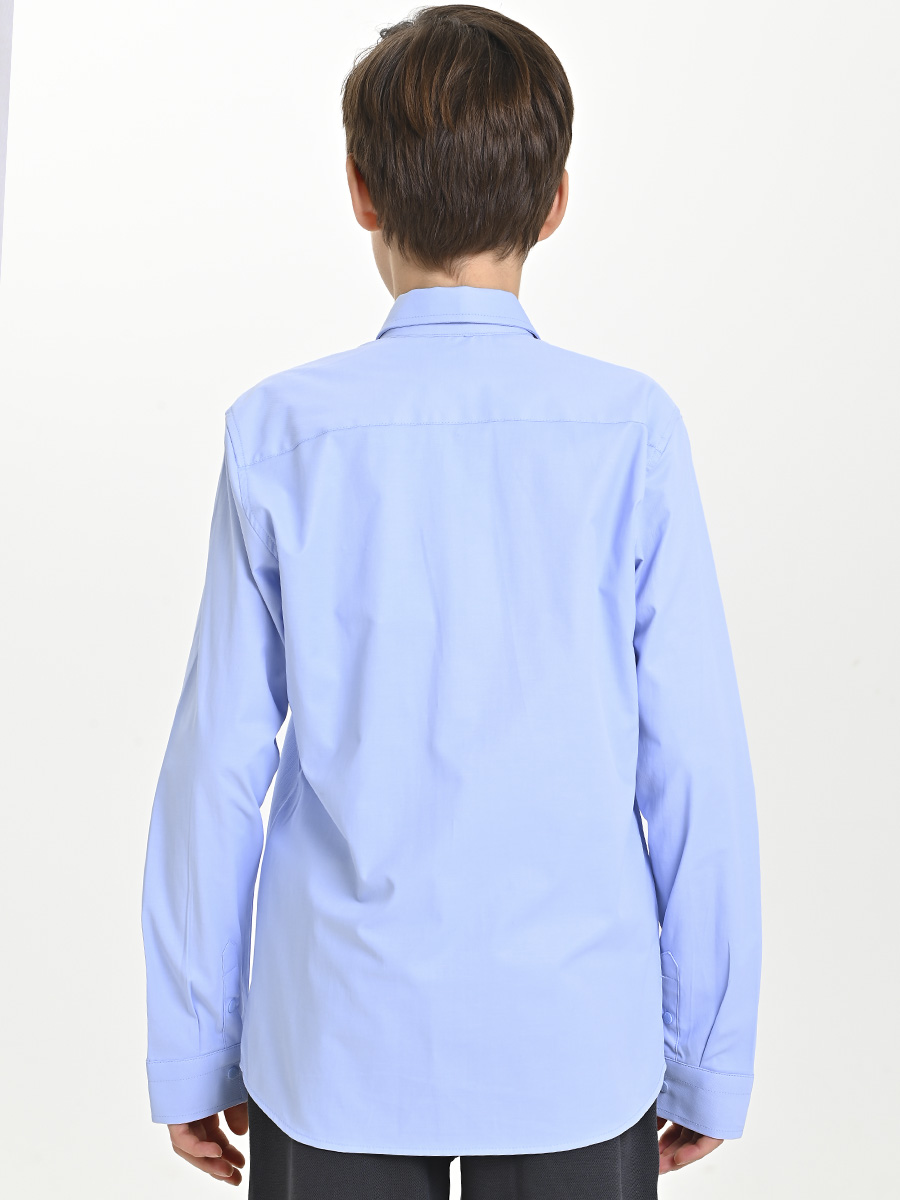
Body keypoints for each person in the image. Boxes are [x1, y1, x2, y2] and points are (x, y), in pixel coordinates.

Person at [140, 5, 763, 1197]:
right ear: (557, 201)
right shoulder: (630, 431)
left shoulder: (281, 432)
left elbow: (216, 767)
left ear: (361, 192)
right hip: (577, 1042)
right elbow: (694, 765)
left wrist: (193, 1047)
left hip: (334, 1039)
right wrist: (708, 1055)